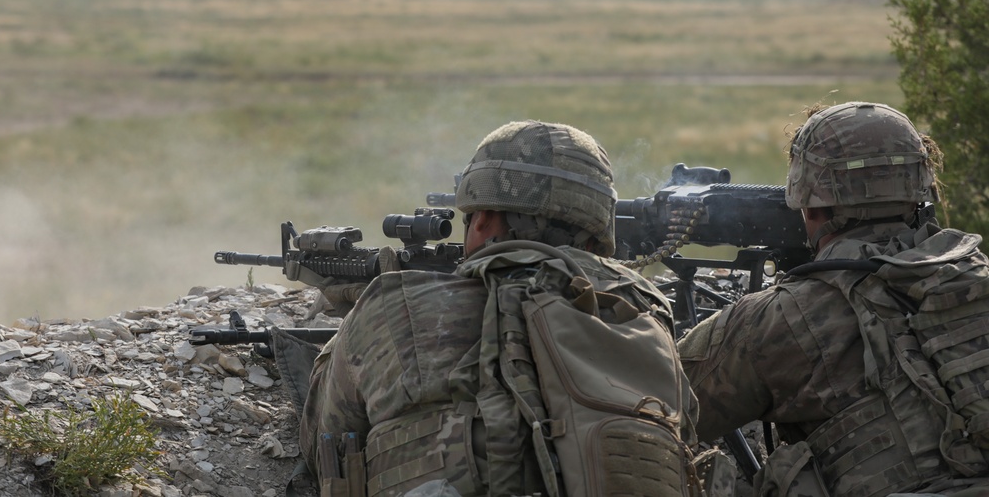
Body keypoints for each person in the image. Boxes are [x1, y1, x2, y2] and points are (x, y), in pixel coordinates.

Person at [298, 119, 701, 497]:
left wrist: (366, 310)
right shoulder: (647, 309)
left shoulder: (390, 304)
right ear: (599, 232)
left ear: (485, 219)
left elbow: (324, 446)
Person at [677, 101, 989, 496]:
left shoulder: (778, 319)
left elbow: (655, 404)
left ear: (807, 203)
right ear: (920, 188)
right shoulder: (977, 279)